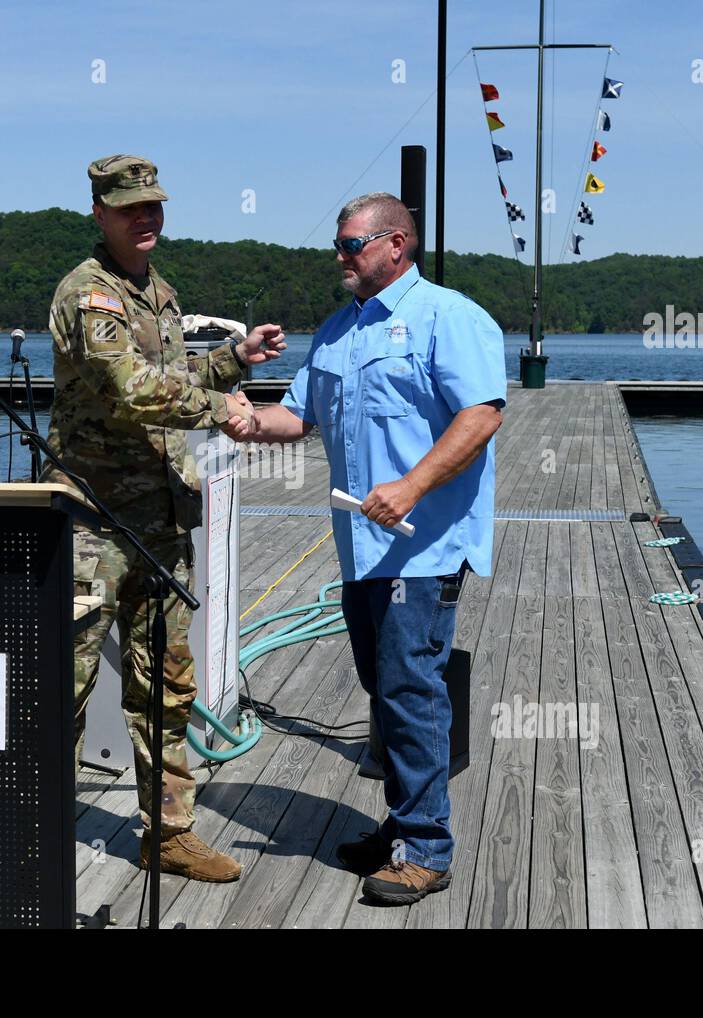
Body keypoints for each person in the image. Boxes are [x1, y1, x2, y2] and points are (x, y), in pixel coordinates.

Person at [242, 192, 505, 904]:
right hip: (360, 548)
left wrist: (414, 485)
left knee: (411, 688)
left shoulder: (449, 317)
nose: (341, 257)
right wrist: (238, 417)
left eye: (352, 244)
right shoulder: (338, 330)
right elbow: (296, 417)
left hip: (422, 547)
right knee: (384, 688)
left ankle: (426, 848)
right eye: (339, 244)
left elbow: (482, 415)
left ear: (397, 245)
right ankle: (401, 827)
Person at [41, 154, 285, 882]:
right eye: (129, 208)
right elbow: (130, 390)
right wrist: (225, 412)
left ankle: (168, 832)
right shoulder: (91, 294)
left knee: (165, 685)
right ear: (99, 213)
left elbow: (172, 377)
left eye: (153, 206)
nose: (145, 218)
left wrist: (233, 361)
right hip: (91, 520)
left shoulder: (159, 293)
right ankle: (33, 835)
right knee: (65, 683)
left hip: (159, 520)